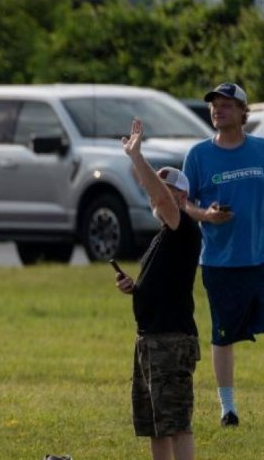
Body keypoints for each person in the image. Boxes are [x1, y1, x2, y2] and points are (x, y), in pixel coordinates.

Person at [115, 119, 200, 460]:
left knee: (176, 423)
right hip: (149, 338)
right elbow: (161, 284)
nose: (155, 193)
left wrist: (137, 157)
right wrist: (135, 289)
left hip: (171, 339)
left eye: (165, 189)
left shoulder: (184, 228)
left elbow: (161, 197)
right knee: (154, 424)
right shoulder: (162, 237)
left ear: (182, 196)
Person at [182, 82, 264, 427]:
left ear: (243, 113)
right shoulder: (199, 155)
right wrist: (207, 215)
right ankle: (227, 408)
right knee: (223, 334)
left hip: (261, 258)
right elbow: (183, 201)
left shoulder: (261, 150)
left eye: (226, 105)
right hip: (220, 261)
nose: (218, 110)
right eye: (214, 105)